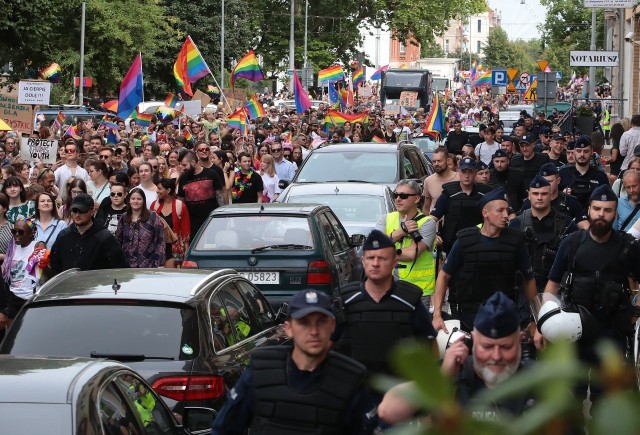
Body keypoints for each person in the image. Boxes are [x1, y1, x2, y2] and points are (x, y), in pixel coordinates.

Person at [211, 289, 377, 435]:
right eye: (304, 322)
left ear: (333, 326)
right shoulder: (261, 370)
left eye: (321, 321)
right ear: (288, 328)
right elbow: (224, 428)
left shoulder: (350, 379)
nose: (313, 331)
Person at [534, 184, 640, 403]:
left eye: (607, 210)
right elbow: (552, 285)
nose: (601, 214)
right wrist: (541, 327)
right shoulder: (571, 243)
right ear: (589, 210)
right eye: (597, 209)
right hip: (574, 334)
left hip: (612, 336)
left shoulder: (628, 247)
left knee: (607, 402)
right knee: (570, 399)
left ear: (615, 213)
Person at [379, 292, 534, 425]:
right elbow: (388, 411)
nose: (496, 356)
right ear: (473, 340)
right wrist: (441, 375)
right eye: (487, 347)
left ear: (519, 341)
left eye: (506, 347)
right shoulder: (454, 371)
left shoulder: (538, 379)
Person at [432, 188, 536, 331]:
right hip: (470, 317)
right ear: (485, 213)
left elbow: (529, 279)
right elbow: (444, 276)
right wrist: (437, 314)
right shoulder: (465, 240)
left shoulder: (516, 241)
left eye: (507, 210)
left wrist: (534, 320)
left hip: (504, 316)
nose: (506, 215)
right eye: (500, 210)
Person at [334, 230, 436, 375]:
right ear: (363, 261)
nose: (375, 264)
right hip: (354, 387)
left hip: (398, 387)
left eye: (382, 258)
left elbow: (429, 343)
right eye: (371, 258)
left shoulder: (409, 302)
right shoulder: (346, 301)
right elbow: (328, 343)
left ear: (395, 262)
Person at [509, 175, 577, 292]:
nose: (539, 197)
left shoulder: (567, 225)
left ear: (551, 195)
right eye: (535, 194)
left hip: (556, 289)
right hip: (523, 290)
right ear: (529, 196)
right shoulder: (516, 224)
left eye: (544, 194)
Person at [375, 180, 437, 307]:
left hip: (418, 289)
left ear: (416, 198)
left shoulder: (427, 223)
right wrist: (401, 231)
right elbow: (375, 246)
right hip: (388, 287)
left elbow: (412, 254)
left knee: (416, 326)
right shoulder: (386, 219)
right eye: (395, 195)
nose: (398, 199)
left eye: (403, 196)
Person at [43, 193, 128, 277]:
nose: (77, 215)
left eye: (82, 211)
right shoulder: (64, 236)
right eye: (75, 211)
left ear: (92, 212)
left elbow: (119, 268)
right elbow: (55, 267)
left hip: (96, 287)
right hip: (68, 287)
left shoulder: (104, 237)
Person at [430, 157, 493, 254]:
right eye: (464, 172)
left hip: (478, 244)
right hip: (452, 245)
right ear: (459, 172)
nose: (467, 176)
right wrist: (433, 234)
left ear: (475, 173)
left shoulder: (485, 194)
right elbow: (432, 217)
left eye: (470, 172)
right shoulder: (449, 193)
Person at [519, 163, 589, 229]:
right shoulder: (531, 202)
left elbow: (584, 225)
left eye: (549, 182)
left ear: (558, 181)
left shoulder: (570, 201)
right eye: (543, 181)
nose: (546, 185)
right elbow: (519, 223)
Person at [0, 219, 40, 330]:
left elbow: (46, 272)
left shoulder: (37, 245)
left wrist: (42, 263)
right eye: (14, 231)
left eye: (21, 232)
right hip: (13, 297)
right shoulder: (12, 247)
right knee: (13, 335)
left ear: (32, 232)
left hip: (31, 297)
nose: (16, 235)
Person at [177, 150, 225, 241]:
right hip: (192, 223)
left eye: (184, 165)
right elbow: (181, 201)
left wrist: (222, 217)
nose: (183, 168)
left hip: (211, 220)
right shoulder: (183, 178)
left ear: (193, 162)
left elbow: (220, 197)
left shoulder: (211, 174)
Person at [115, 188, 165, 268]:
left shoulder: (153, 217)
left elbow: (160, 242)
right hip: (127, 264)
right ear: (129, 200)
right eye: (133, 199)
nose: (135, 201)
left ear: (143, 201)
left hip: (148, 264)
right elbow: (118, 240)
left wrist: (160, 263)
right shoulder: (123, 218)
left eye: (139, 199)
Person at [559, 137, 609, 212]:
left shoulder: (600, 176)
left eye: (586, 151)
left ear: (591, 152)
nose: (582, 154)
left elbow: (608, 201)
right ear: (574, 152)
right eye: (579, 151)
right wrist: (562, 196)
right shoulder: (563, 174)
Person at [150, 179, 190, 268]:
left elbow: (185, 231)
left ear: (168, 190)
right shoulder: (154, 206)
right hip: (157, 247)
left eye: (160, 189)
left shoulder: (180, 206)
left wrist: (186, 252)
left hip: (174, 249)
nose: (157, 191)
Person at [421, 146, 458, 214]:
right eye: (434, 161)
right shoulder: (428, 181)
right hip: (435, 223)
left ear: (448, 160)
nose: (436, 164)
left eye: (439, 161)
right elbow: (426, 207)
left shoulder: (459, 178)